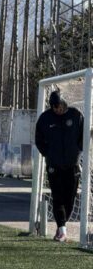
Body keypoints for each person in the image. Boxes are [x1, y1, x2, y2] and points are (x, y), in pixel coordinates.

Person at [35, 90, 84, 243]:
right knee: (57, 197)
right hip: (54, 165)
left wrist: (77, 151)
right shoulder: (45, 118)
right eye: (54, 107)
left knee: (70, 199)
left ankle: (60, 226)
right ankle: (62, 230)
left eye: (58, 106)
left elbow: (83, 136)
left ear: (63, 103)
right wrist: (48, 154)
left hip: (72, 165)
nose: (57, 109)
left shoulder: (76, 115)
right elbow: (38, 139)